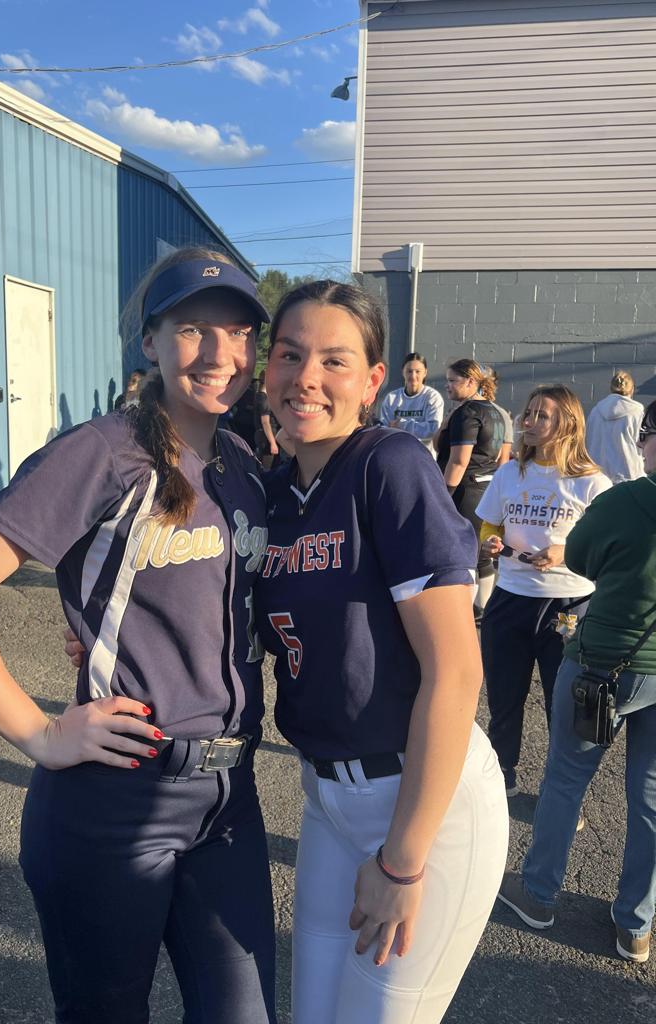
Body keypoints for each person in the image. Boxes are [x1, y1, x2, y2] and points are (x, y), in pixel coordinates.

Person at [0, 247, 278, 1024]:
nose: (220, 352)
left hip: (229, 799)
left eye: (239, 332)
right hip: (116, 798)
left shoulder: (243, 462)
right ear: (149, 340)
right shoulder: (106, 451)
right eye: (192, 328)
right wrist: (39, 732)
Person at [257, 281, 509, 1023]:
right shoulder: (274, 493)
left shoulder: (388, 463)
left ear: (373, 382)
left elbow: (456, 671)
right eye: (289, 354)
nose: (306, 377)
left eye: (334, 361)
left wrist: (402, 861)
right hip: (325, 796)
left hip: (423, 801)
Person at [497, 398, 656, 964]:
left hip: (603, 662)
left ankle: (539, 894)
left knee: (566, 778)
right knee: (650, 796)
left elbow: (583, 560)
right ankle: (636, 923)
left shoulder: (624, 500)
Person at [477, 385, 611, 798]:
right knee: (504, 697)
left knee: (563, 703)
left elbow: (606, 545)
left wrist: (566, 551)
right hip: (510, 598)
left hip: (568, 604)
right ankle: (502, 776)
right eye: (528, 414)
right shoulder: (509, 472)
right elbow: (490, 523)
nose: (529, 422)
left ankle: (562, 791)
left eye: (542, 415)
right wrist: (491, 542)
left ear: (567, 424)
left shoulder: (592, 482)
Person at [435, 359, 505, 619]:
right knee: (480, 555)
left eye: (453, 380)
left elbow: (459, 461)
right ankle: (481, 609)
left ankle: (466, 614)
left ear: (471, 381)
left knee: (464, 554)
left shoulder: (469, 412)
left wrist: (442, 497)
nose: (447, 386)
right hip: (485, 486)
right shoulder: (494, 410)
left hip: (466, 489)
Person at [585, 370, 645, 484]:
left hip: (598, 478)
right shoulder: (637, 413)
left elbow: (587, 442)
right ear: (632, 390)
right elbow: (643, 445)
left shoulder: (595, 412)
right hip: (629, 477)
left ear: (611, 388)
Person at [378, 351, 444, 453]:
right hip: (397, 454)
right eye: (409, 371)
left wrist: (402, 425)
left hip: (423, 457)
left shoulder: (432, 397)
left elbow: (433, 430)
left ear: (425, 373)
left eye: (418, 371)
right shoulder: (391, 398)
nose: (413, 376)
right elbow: (385, 431)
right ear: (403, 372)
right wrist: (420, 428)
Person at [254, 368, 279, 468]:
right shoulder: (264, 398)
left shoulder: (259, 395)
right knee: (267, 467)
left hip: (263, 435)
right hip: (267, 436)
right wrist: (272, 442)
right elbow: (265, 422)